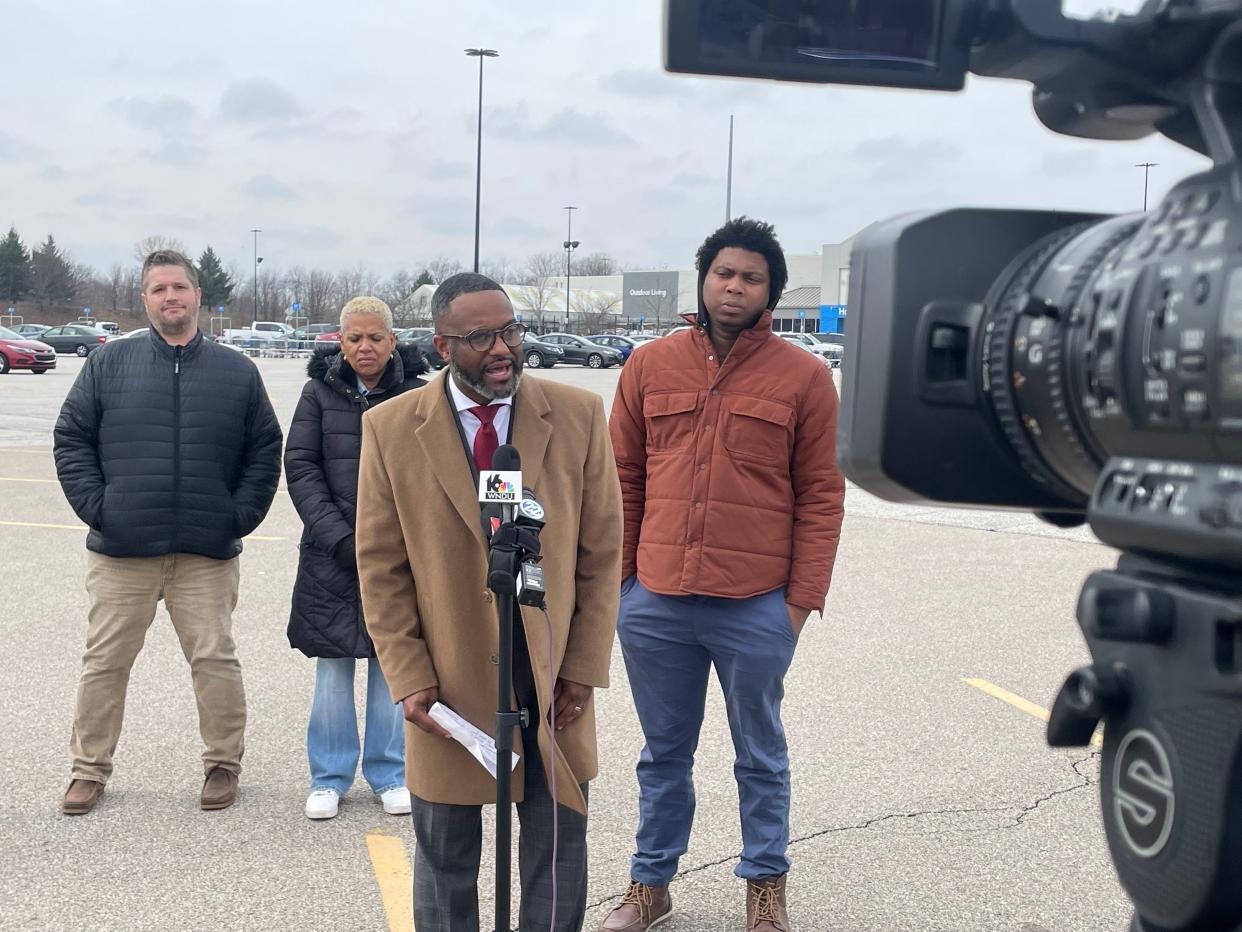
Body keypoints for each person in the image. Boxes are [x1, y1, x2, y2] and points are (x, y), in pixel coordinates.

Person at [599, 217, 846, 932]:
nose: (734, 286)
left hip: (756, 604)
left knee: (759, 755)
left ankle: (765, 885)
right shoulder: (649, 365)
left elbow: (822, 495)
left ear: (770, 291)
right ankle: (651, 885)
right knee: (662, 755)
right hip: (657, 602)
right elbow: (624, 476)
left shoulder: (803, 376)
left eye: (751, 277)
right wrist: (622, 587)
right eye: (724, 273)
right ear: (703, 278)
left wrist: (797, 605)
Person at [356, 272, 622, 932]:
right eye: (480, 337)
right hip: (447, 686)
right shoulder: (390, 429)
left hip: (549, 673)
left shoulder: (578, 414)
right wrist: (410, 676)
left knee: (556, 852)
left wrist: (583, 668)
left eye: (510, 330)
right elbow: (381, 568)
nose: (503, 348)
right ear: (442, 346)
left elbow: (601, 554)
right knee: (444, 858)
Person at [53, 248, 282, 815]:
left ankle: (223, 765)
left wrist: (237, 516)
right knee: (104, 662)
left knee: (215, 660)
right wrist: (100, 507)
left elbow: (263, 450)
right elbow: (71, 438)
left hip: (206, 551)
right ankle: (88, 771)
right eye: (158, 289)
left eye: (179, 287)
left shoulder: (237, 372)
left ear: (198, 296)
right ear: (145, 300)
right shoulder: (109, 364)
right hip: (122, 549)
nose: (170, 297)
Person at [284, 296, 429, 820]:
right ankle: (329, 776)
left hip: (398, 559)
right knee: (333, 666)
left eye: (374, 337)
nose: (364, 347)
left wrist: (400, 544)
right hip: (331, 556)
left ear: (393, 341)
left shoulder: (417, 396)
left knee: (394, 666)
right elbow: (300, 468)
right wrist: (340, 540)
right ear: (339, 343)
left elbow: (430, 476)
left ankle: (390, 772)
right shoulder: (317, 394)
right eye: (353, 338)